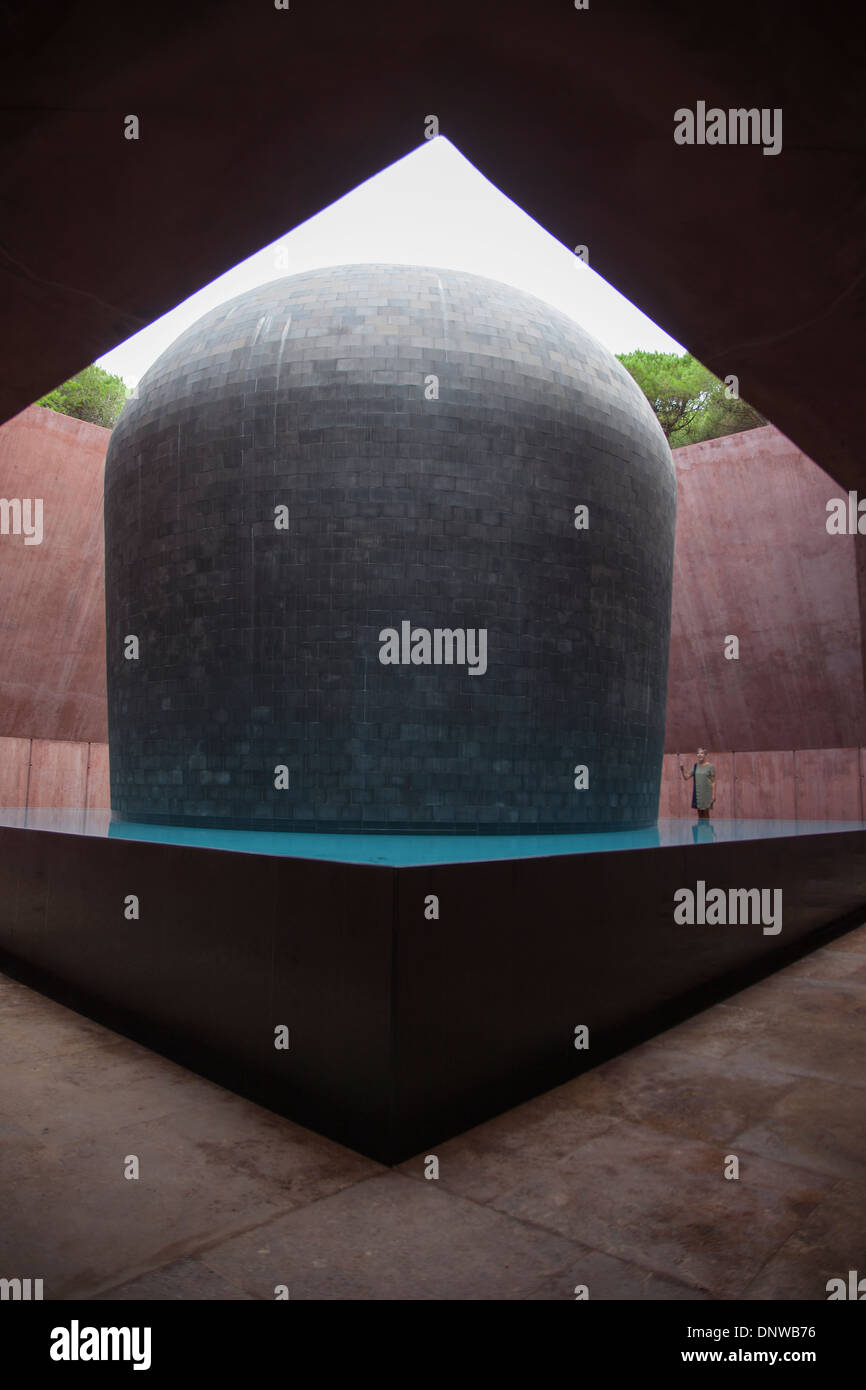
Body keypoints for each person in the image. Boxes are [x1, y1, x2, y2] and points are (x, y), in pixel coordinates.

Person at [678, 747, 716, 818]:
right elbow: (686, 777)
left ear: (705, 754)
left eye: (701, 753)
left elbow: (713, 782)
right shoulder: (695, 766)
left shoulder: (710, 766)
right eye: (698, 753)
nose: (699, 755)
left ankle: (707, 828)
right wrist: (682, 769)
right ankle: (700, 829)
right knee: (700, 814)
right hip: (698, 794)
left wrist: (713, 795)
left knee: (705, 813)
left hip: (707, 793)